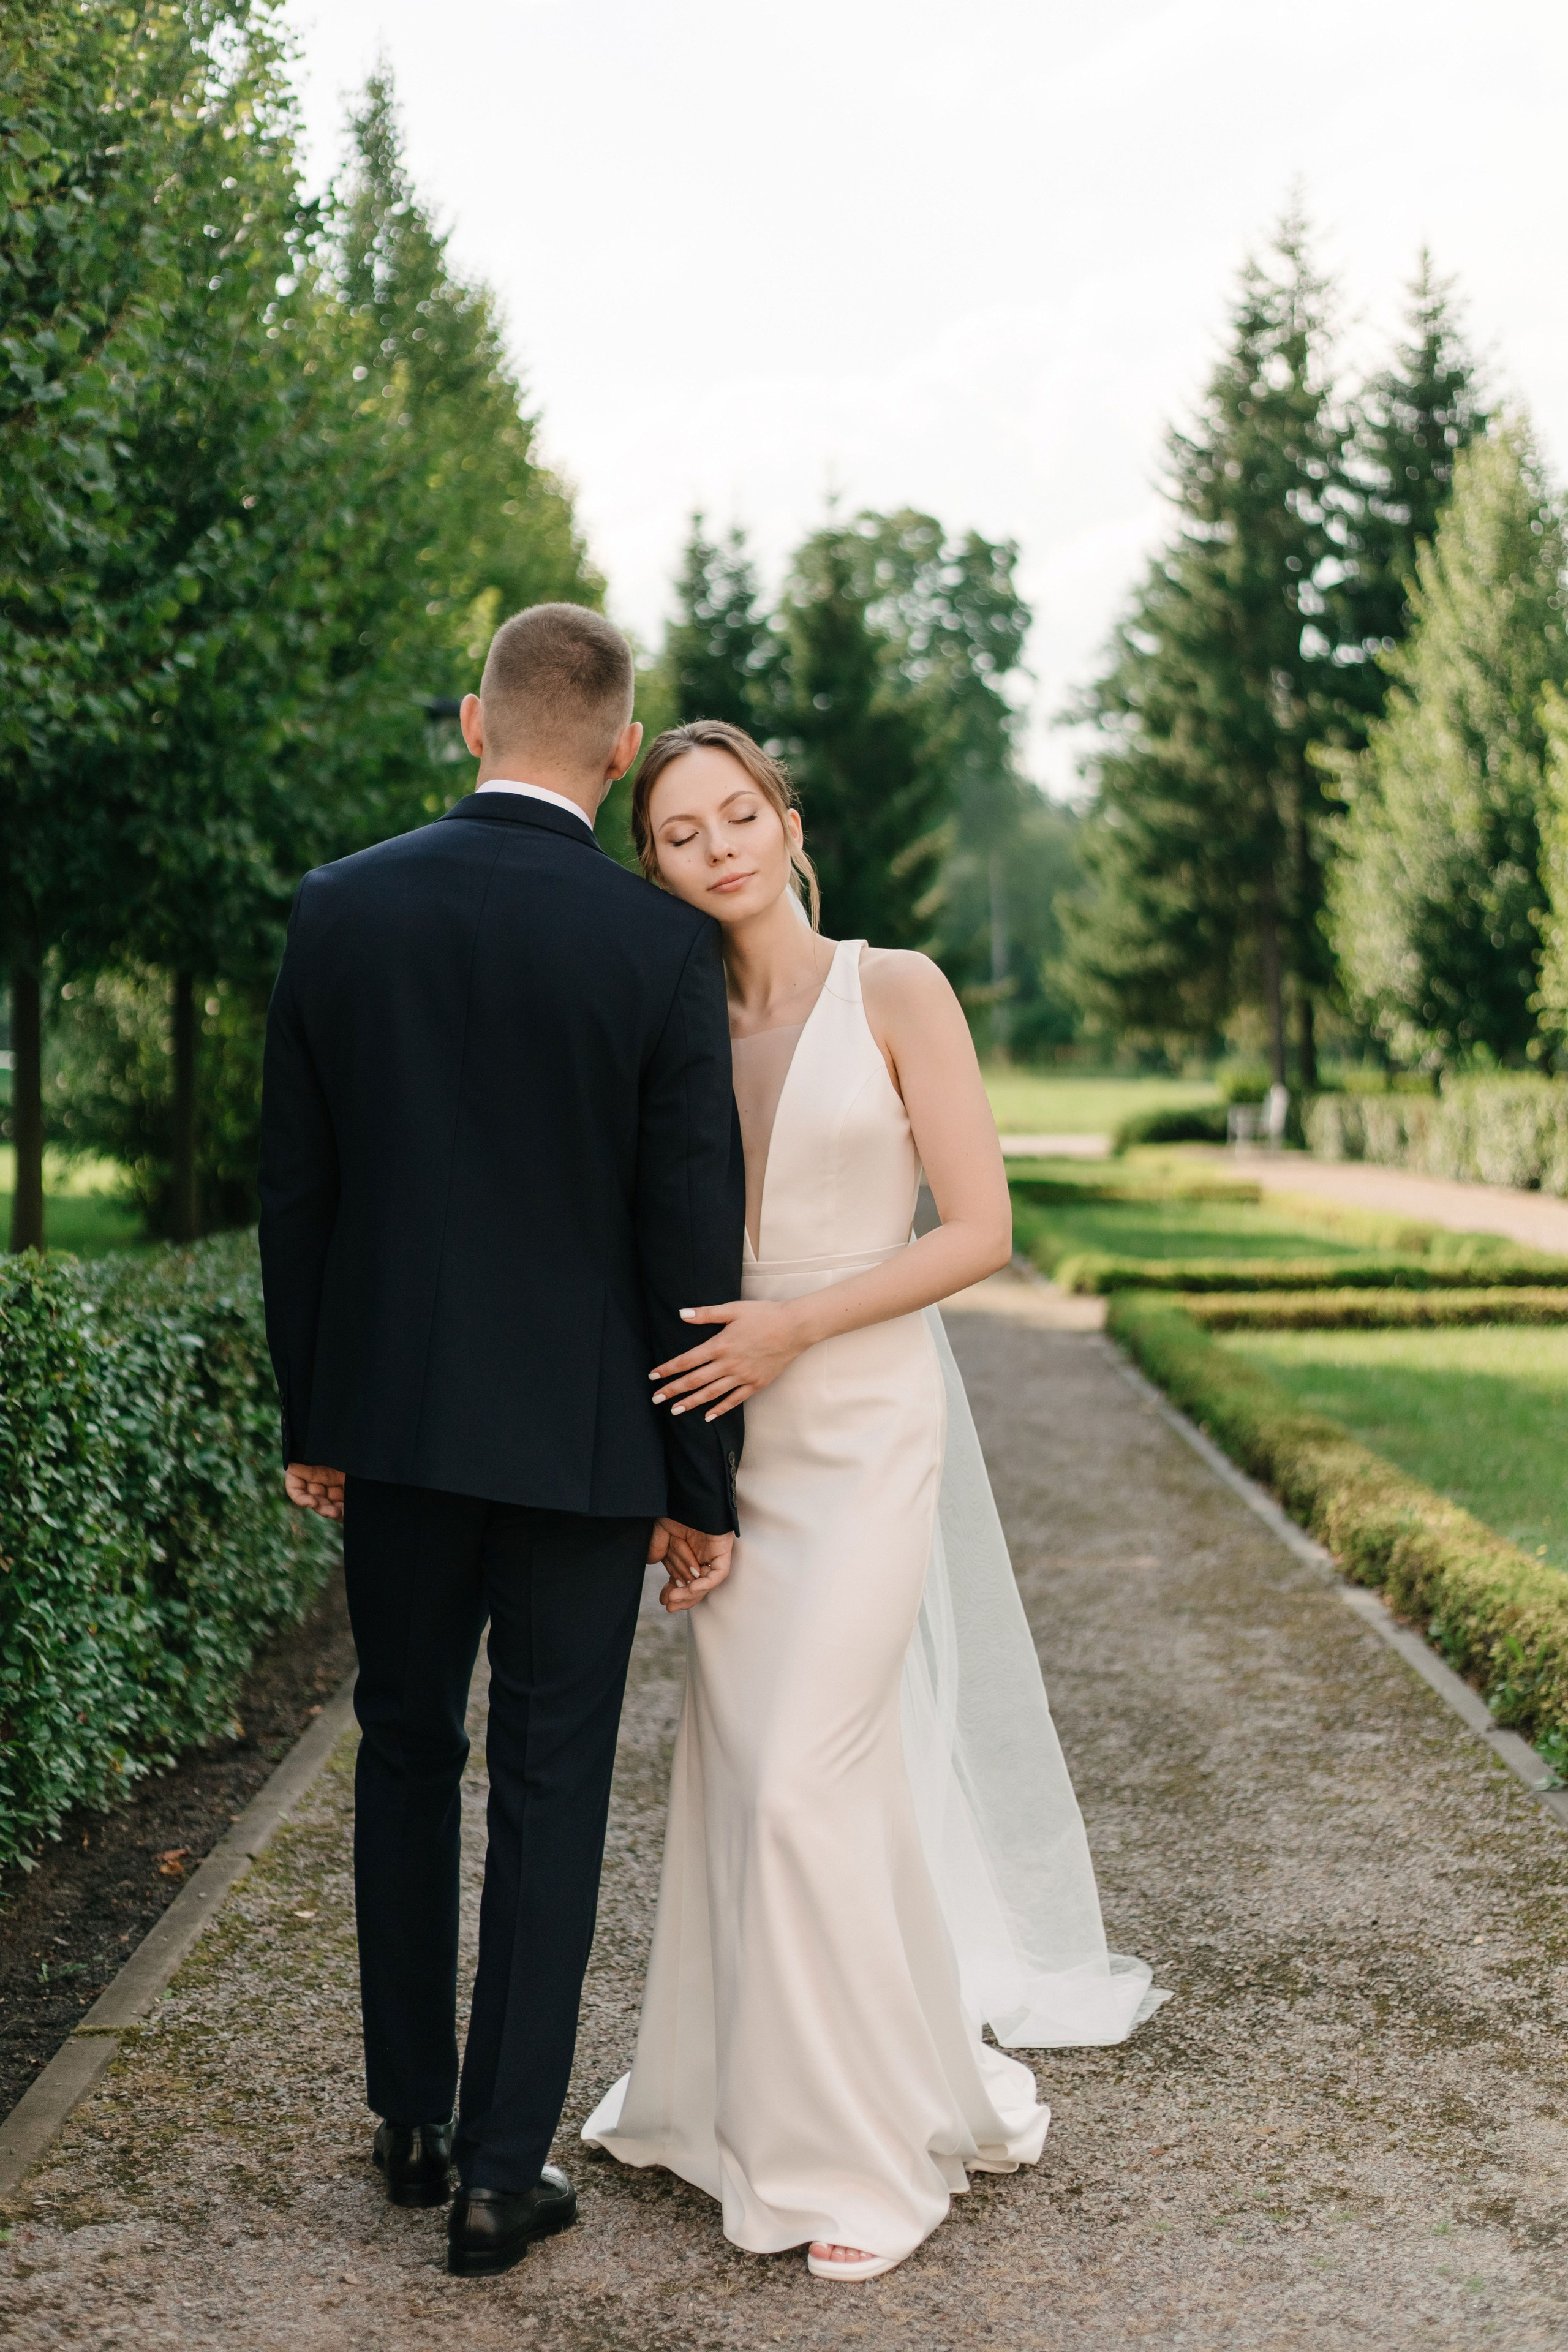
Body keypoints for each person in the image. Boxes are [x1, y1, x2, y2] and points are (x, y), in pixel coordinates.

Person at [582, 720, 1164, 2281]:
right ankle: (735, 2102)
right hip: (727, 1437)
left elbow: (977, 1228)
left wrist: (797, 1323)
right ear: (651, 867)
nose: (716, 848)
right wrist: (668, 1480)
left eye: (737, 814)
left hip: (861, 1419)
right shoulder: (666, 1018)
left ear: (785, 817)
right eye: (679, 833)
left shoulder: (895, 987)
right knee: (750, 1779)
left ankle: (857, 2162)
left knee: (798, 1780)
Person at [258, 607, 745, 2279]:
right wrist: (701, 1491)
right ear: (622, 752)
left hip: (387, 1429)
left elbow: (298, 1192)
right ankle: (498, 2172)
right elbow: (693, 1235)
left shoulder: (337, 908)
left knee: (404, 1752)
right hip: (583, 1448)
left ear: (473, 721)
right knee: (547, 1786)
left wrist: (312, 1418)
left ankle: (405, 2118)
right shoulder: (656, 949)